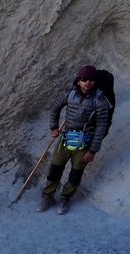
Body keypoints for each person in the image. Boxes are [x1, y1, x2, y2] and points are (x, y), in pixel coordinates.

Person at [38, 65, 111, 214]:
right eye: (84, 79)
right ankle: (48, 196)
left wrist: (93, 150)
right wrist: (53, 127)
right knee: (55, 168)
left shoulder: (100, 100)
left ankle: (65, 197)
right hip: (66, 138)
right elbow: (54, 108)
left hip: (85, 142)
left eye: (91, 79)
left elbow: (101, 126)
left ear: (95, 82)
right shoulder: (69, 94)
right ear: (78, 81)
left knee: (76, 172)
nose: (87, 82)